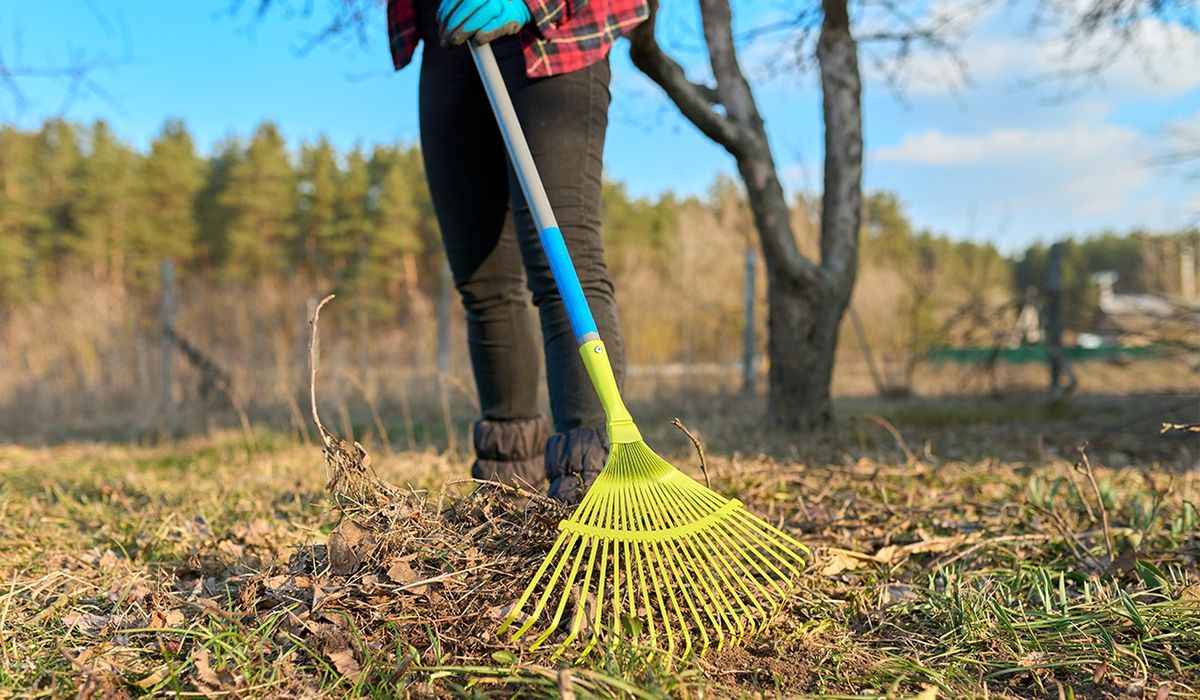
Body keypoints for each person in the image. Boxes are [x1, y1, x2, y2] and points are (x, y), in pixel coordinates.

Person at [385, 0, 649, 502]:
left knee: (562, 262)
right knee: (482, 279)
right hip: (446, 29)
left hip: (550, 37)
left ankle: (596, 490)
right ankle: (510, 491)